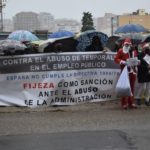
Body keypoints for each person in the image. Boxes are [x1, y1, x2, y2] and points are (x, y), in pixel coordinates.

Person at [114, 38, 139, 109]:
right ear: (124, 44)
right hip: (125, 72)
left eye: (128, 44)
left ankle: (131, 103)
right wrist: (122, 61)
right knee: (125, 88)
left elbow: (136, 59)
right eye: (126, 44)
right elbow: (116, 59)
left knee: (131, 88)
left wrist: (137, 62)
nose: (127, 45)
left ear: (130, 44)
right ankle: (124, 103)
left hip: (133, 72)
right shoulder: (121, 51)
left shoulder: (134, 51)